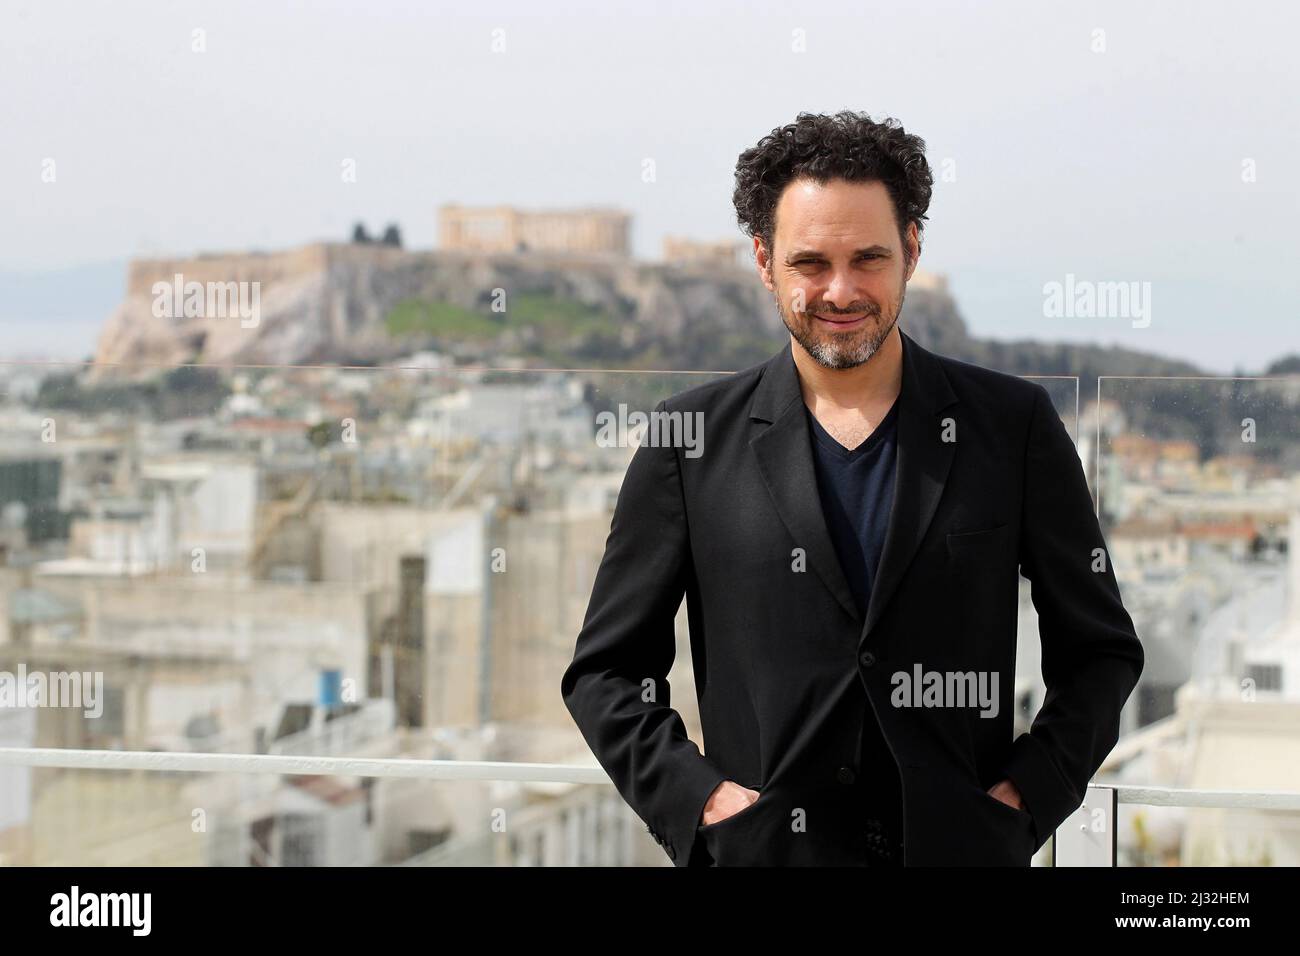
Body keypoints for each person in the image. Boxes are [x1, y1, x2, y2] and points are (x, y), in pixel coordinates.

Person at [560, 110, 1144, 866]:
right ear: (765, 261)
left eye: (868, 258)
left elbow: (1101, 652)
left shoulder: (1014, 426)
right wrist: (701, 805)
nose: (840, 290)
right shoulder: (687, 440)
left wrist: (1024, 801)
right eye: (811, 263)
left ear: (911, 251)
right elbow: (605, 673)